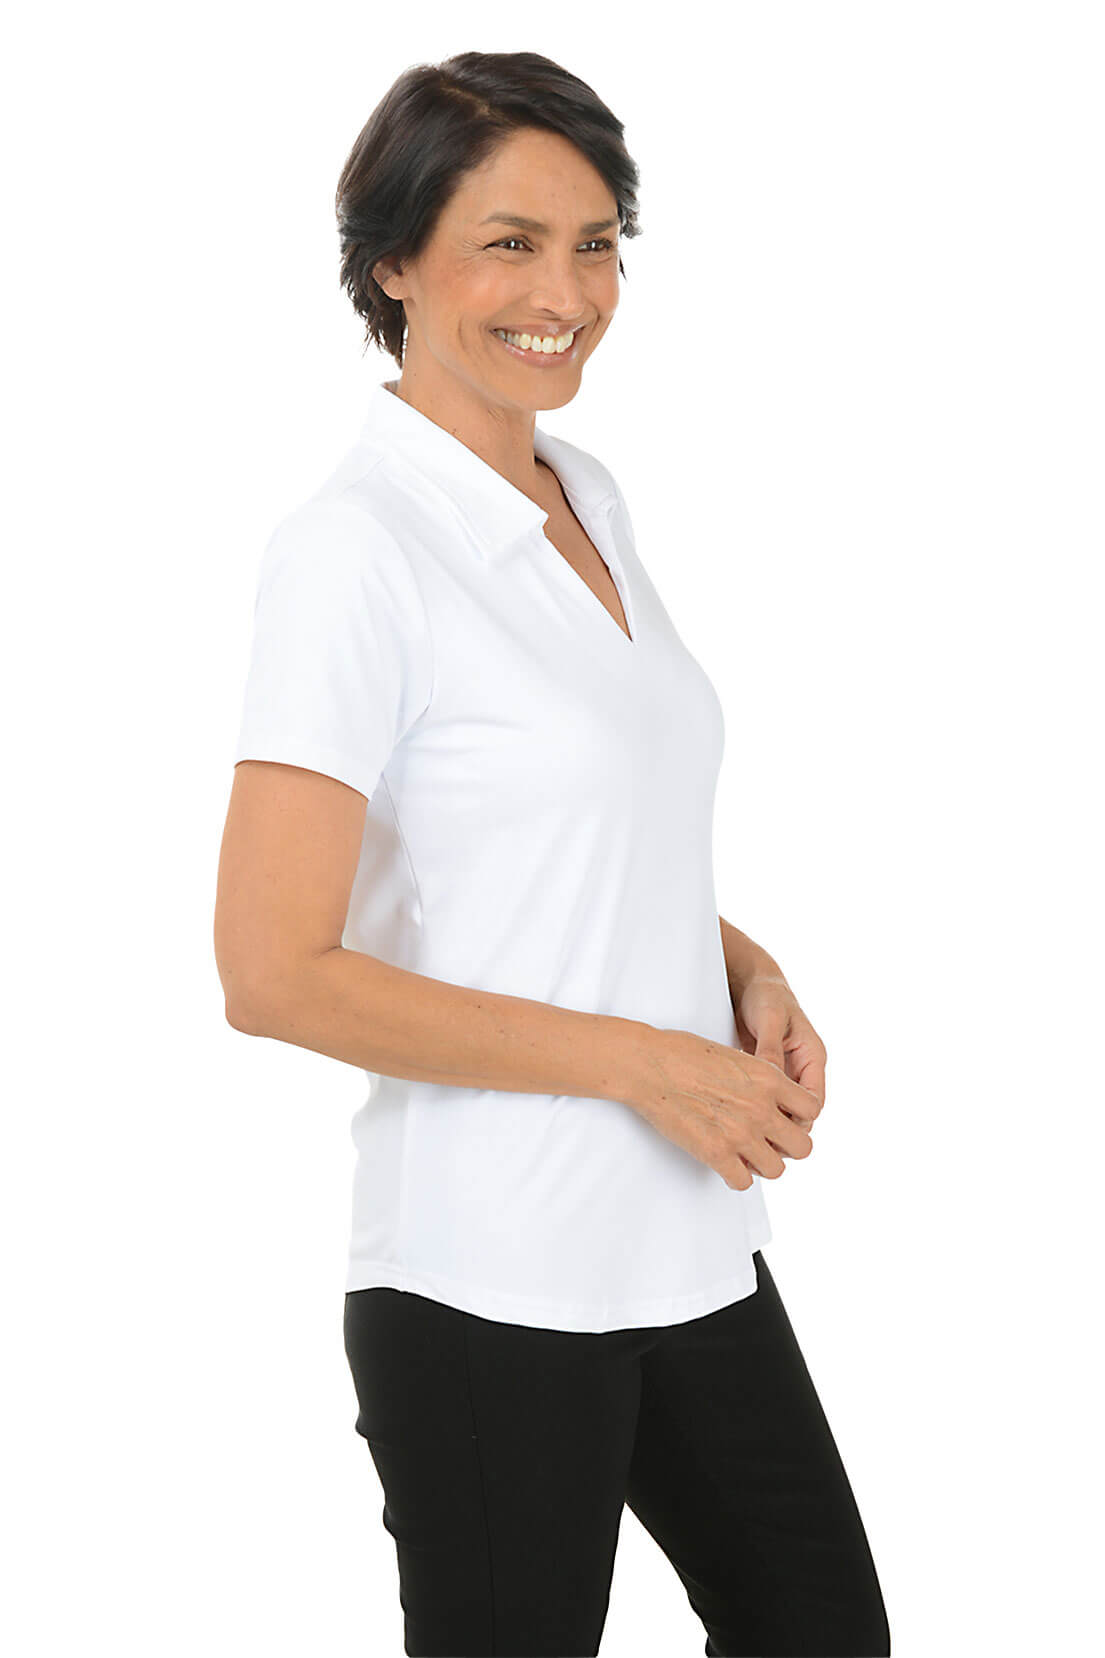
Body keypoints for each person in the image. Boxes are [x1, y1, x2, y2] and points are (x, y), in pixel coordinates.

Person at [214, 49, 891, 1658]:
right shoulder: (352, 551)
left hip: (683, 1244)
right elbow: (269, 969)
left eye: (596, 243)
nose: (564, 291)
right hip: (486, 1277)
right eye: (508, 241)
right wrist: (644, 1064)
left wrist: (742, 969)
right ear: (393, 263)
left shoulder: (582, 491)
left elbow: (574, 832)